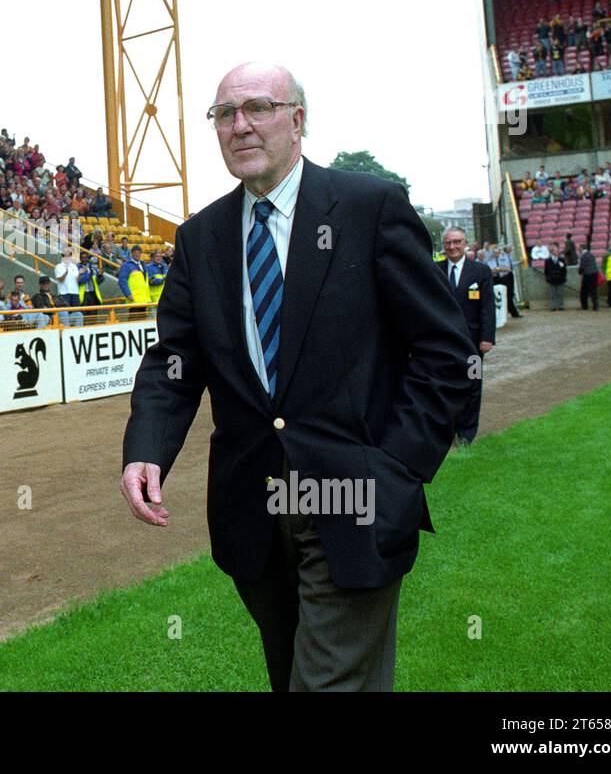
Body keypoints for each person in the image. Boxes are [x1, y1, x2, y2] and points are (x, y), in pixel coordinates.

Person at [121, 61, 472, 693]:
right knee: (294, 680)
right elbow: (174, 364)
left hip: (355, 499)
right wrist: (146, 449)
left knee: (327, 686)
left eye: (258, 107)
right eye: (225, 113)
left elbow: (446, 352)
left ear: (298, 120)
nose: (240, 125)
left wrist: (395, 470)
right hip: (252, 509)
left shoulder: (369, 208)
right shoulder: (201, 238)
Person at [438, 227, 495, 444]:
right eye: (448, 243)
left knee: (472, 385)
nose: (452, 247)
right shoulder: (435, 270)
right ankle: (446, 431)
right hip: (443, 344)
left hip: (472, 343)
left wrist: (487, 337)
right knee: (444, 386)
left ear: (465, 243)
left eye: (457, 242)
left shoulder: (480, 271)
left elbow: (487, 307)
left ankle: (466, 432)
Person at [542, 243, 567, 311]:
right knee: (552, 294)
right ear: (552, 252)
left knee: (560, 293)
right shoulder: (548, 260)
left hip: (560, 279)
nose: (557, 252)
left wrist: (564, 277)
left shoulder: (561, 259)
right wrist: (547, 278)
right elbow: (546, 270)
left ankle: (560, 306)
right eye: (555, 251)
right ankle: (553, 306)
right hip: (552, 279)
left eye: (557, 251)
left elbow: (564, 269)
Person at [577, 245, 600, 311]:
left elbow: (582, 266)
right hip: (594, 274)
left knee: (584, 291)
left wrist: (579, 272)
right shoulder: (591, 254)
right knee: (593, 291)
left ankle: (585, 306)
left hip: (587, 275)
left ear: (581, 248)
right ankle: (595, 306)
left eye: (579, 248)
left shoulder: (583, 256)